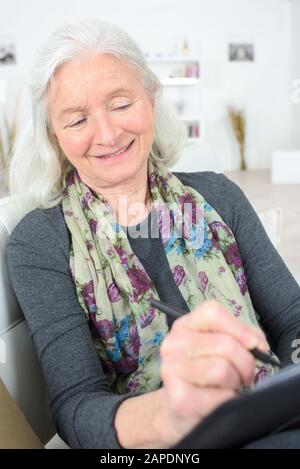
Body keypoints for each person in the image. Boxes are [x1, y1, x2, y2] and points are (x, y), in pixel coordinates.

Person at [6, 20, 300, 449]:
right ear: (54, 135)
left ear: (151, 97)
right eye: (77, 119)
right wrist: (172, 414)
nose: (106, 135)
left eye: (121, 104)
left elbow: (292, 319)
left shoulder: (218, 194)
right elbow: (75, 406)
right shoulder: (40, 241)